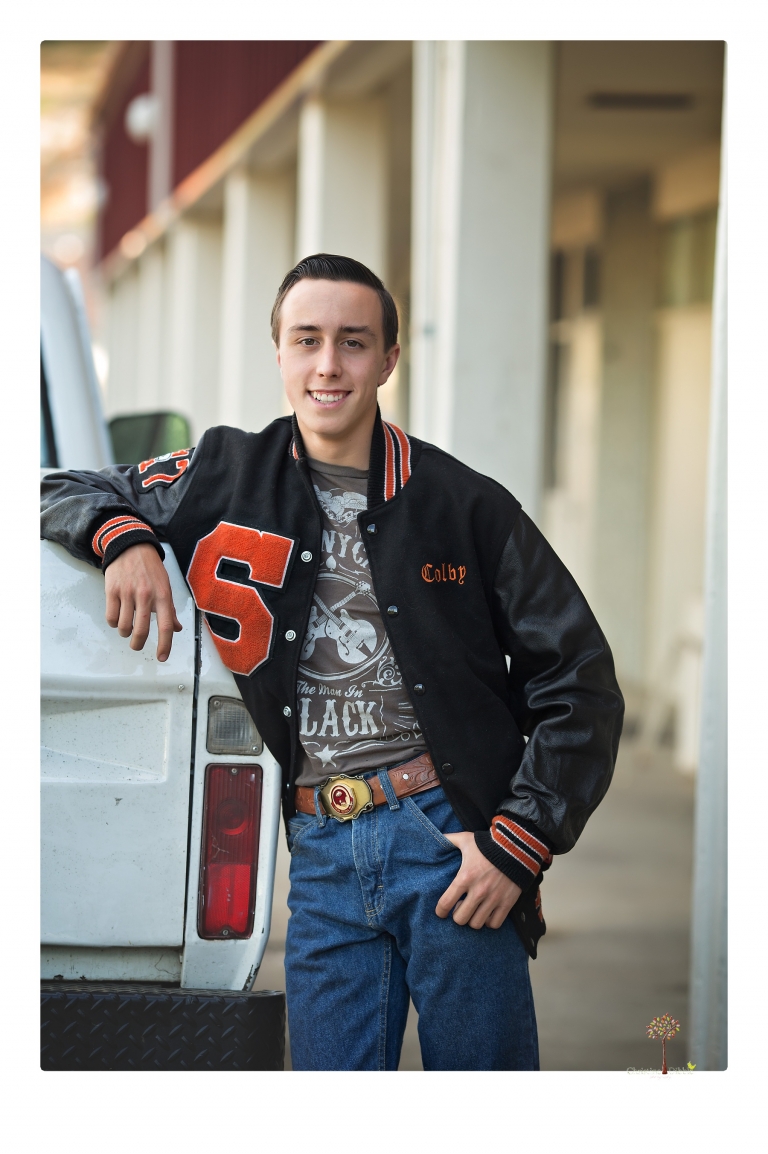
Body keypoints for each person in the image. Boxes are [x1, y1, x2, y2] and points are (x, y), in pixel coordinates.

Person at [41, 253, 624, 1071]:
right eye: (307, 339)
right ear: (278, 352)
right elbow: (57, 486)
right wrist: (124, 537)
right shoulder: (223, 474)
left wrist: (518, 843)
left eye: (353, 342)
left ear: (388, 359)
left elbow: (580, 679)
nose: (328, 365)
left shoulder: (464, 504)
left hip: (452, 843)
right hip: (321, 852)